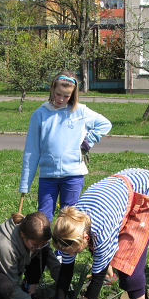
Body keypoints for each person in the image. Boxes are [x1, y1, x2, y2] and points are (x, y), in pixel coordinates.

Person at [49, 168, 149, 299]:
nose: (73, 254)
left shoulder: (101, 231)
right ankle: (111, 274)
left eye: (75, 251)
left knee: (128, 262)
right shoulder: (71, 226)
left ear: (85, 238)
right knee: (106, 252)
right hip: (122, 191)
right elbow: (66, 271)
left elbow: (96, 280)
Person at [19, 71, 112, 221]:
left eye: (66, 96)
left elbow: (105, 124)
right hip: (48, 177)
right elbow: (31, 151)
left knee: (68, 219)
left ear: (73, 95)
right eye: (58, 94)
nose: (61, 99)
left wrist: (88, 141)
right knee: (43, 218)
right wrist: (25, 184)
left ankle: (64, 238)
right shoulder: (40, 114)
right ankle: (44, 238)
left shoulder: (80, 112)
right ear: (52, 89)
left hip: (73, 175)